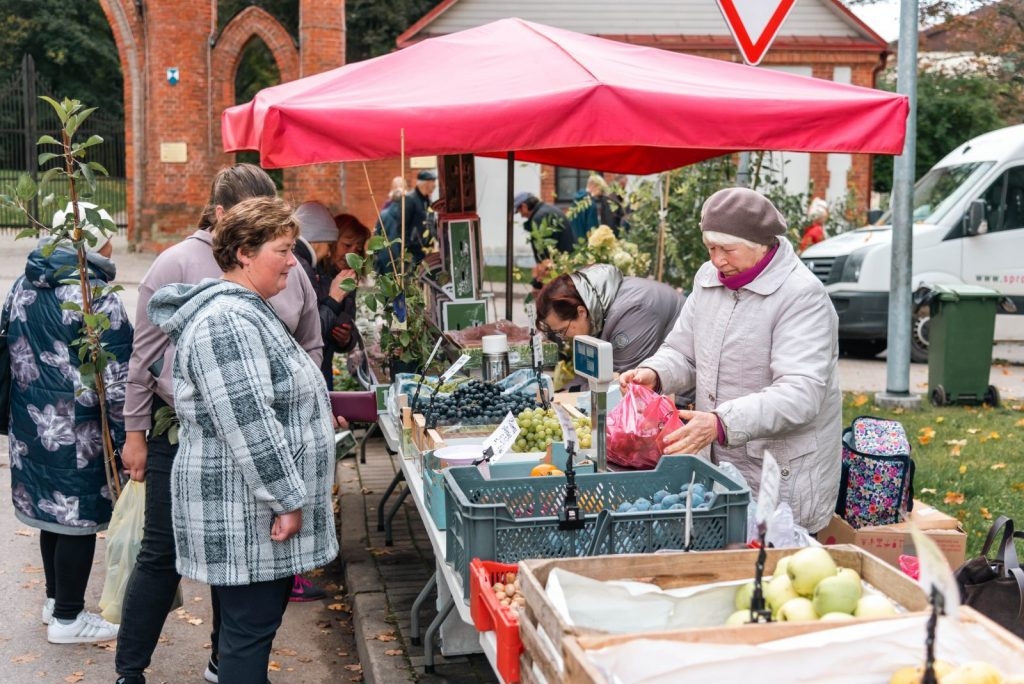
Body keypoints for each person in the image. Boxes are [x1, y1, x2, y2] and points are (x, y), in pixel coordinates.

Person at [115, 164, 322, 684]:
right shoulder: (227, 320)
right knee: (246, 632)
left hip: (249, 504)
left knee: (246, 631)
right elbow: (249, 423)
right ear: (244, 251)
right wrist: (288, 498)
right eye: (283, 251)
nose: (294, 265)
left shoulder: (245, 307)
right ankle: (130, 668)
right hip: (245, 504)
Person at [620, 187, 841, 534]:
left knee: (773, 572)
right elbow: (684, 352)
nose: (717, 259)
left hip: (781, 472)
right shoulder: (708, 280)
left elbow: (801, 393)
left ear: (761, 245)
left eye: (727, 249)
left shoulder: (801, 296)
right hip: (720, 466)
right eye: (710, 248)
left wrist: (721, 422)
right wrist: (655, 372)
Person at [3, 203, 132, 644]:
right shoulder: (94, 296)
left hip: (31, 423)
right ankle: (69, 619)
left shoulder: (25, 283)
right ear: (94, 242)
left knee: (52, 514)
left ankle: (55, 601)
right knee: (75, 518)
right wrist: (128, 436)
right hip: (77, 432)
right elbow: (117, 379)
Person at [534, 264, 683, 373]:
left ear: (581, 312)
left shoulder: (634, 310)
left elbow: (625, 379)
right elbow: (590, 374)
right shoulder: (598, 310)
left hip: (687, 395)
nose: (563, 337)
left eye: (562, 330)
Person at [512, 192, 575, 298]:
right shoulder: (548, 209)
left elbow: (543, 256)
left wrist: (537, 283)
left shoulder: (538, 218)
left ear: (524, 206)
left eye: (519, 211)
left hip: (557, 272)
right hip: (567, 263)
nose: (522, 215)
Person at [374, 169, 436, 273]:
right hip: (409, 252)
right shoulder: (410, 201)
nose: (435, 185)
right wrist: (406, 252)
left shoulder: (426, 201)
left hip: (405, 252)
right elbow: (402, 229)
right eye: (433, 182)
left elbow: (377, 234)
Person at [568, 174, 624, 241]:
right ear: (594, 186)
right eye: (601, 189)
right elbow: (592, 228)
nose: (601, 194)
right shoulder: (591, 204)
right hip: (585, 243)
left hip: (573, 240)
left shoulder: (576, 200)